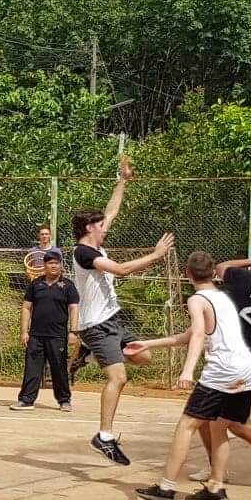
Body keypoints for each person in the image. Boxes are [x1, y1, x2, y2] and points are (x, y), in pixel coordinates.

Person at [128, 250, 251, 500]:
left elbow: (198, 335)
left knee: (189, 424)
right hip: (248, 363)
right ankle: (216, 486)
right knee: (218, 425)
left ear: (188, 274)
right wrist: (147, 343)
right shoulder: (227, 299)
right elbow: (191, 334)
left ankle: (166, 489)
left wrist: (187, 370)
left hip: (225, 365)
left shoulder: (229, 288)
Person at [70, 153, 176, 466]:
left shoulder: (96, 244)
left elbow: (112, 211)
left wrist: (123, 181)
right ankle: (104, 436)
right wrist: (156, 255)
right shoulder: (83, 253)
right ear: (89, 228)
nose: (106, 228)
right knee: (118, 378)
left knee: (143, 356)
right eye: (100, 226)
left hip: (111, 321)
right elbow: (121, 270)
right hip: (95, 324)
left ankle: (89, 354)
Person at [13, 248, 78, 412]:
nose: (53, 266)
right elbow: (26, 307)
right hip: (36, 335)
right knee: (32, 368)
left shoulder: (68, 286)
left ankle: (64, 400)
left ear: (61, 266)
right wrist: (24, 331)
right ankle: (26, 400)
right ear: (44, 265)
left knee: (59, 368)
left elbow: (74, 309)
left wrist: (73, 332)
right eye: (50, 263)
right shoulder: (35, 284)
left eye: (56, 263)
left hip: (58, 336)